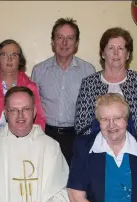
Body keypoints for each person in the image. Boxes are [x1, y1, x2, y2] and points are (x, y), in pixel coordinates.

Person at [31, 17, 95, 164]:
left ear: (76, 43)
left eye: (70, 38)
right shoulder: (39, 71)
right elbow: (33, 106)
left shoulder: (88, 71)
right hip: (45, 136)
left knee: (73, 183)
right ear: (53, 42)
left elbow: (94, 109)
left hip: (77, 137)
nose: (64, 43)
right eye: (60, 37)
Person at [74, 27, 137, 141]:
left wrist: (133, 141)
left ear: (127, 54)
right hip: (96, 148)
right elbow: (81, 124)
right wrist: (104, 142)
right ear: (103, 53)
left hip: (135, 146)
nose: (116, 53)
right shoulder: (89, 83)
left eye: (121, 48)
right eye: (111, 48)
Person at [0, 39, 46, 150]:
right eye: (4, 55)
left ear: (20, 60)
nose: (9, 59)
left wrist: (32, 145)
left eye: (14, 55)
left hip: (25, 146)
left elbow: (39, 120)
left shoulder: (30, 87)